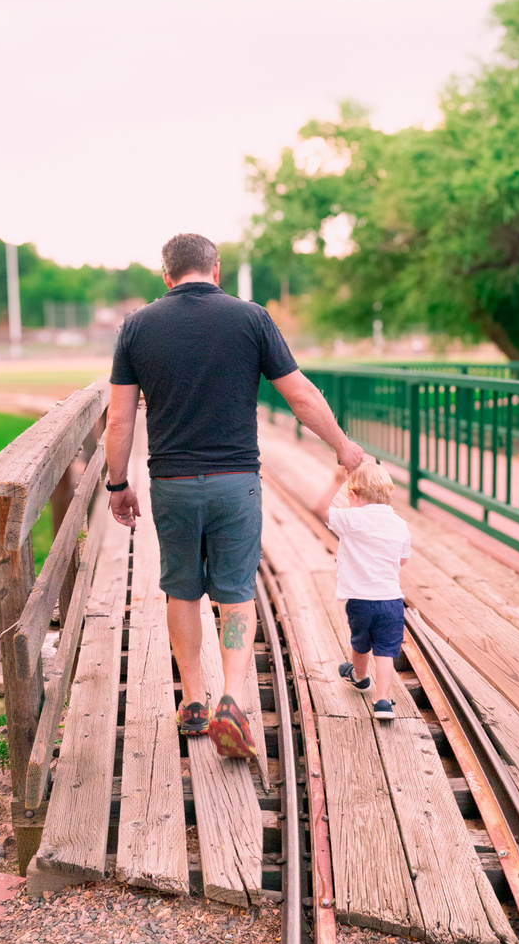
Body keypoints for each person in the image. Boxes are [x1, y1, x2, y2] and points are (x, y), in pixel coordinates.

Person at [104, 232, 365, 758]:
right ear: (216, 270)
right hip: (236, 483)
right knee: (236, 592)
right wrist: (344, 448)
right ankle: (232, 697)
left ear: (167, 276)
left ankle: (194, 701)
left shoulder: (137, 326)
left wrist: (117, 485)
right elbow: (300, 395)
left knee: (182, 589)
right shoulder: (252, 319)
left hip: (172, 483)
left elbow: (119, 417)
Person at [316, 461, 411, 719]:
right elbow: (402, 560)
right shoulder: (400, 524)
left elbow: (320, 509)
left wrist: (337, 480)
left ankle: (359, 677)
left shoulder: (351, 518)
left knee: (361, 643)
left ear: (354, 495)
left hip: (361, 600)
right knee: (386, 650)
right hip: (392, 601)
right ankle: (382, 702)